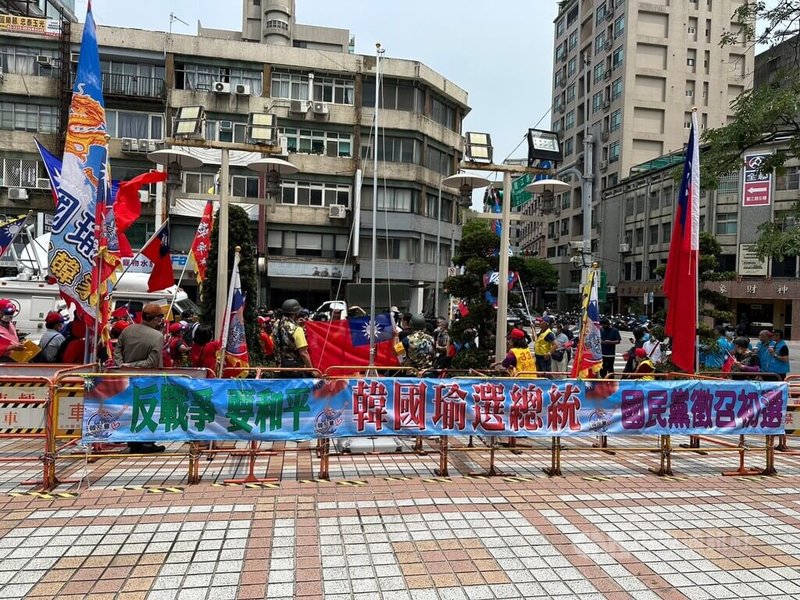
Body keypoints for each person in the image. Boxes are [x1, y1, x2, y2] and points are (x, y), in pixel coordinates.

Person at [114, 303, 167, 454]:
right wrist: (131, 365)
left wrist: (122, 366)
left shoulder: (127, 329)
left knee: (132, 409)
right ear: (156, 319)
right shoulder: (157, 336)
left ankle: (133, 442)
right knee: (148, 410)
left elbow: (117, 350)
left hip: (127, 379)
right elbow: (152, 362)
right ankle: (147, 444)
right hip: (148, 379)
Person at [273, 298, 313, 376]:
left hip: (280, 367)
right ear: (296, 313)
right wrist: (311, 370)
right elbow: (304, 353)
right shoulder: (297, 329)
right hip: (295, 369)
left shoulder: (276, 325)